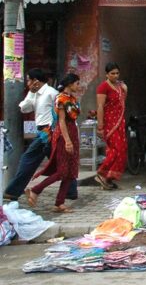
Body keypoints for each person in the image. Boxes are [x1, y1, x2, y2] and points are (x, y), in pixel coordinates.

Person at [4, 69, 76, 202]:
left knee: (28, 159)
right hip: (42, 130)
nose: (27, 82)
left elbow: (60, 114)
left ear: (36, 81)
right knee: (60, 163)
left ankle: (13, 191)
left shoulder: (51, 93)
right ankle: (70, 191)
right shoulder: (35, 94)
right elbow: (24, 108)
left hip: (49, 131)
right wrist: (31, 93)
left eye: (29, 80)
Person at [26, 73, 81, 213]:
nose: (78, 86)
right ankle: (35, 190)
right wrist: (67, 141)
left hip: (73, 133)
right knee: (62, 171)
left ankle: (59, 203)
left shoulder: (72, 98)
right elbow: (61, 121)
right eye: (77, 83)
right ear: (70, 83)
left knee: (70, 172)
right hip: (63, 135)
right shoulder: (61, 99)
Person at [95, 62, 128, 190]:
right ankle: (102, 174)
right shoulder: (103, 87)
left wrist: (125, 89)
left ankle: (109, 178)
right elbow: (100, 107)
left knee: (122, 150)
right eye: (112, 73)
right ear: (107, 74)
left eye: (117, 73)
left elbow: (122, 103)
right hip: (109, 123)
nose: (115, 76)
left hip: (120, 122)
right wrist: (100, 126)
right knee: (115, 150)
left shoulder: (120, 86)